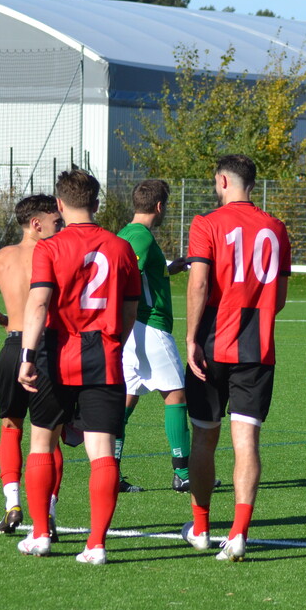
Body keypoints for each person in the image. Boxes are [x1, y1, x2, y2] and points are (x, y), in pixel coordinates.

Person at [18, 167, 140, 564]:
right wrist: (113, 342)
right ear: (97, 203)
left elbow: (39, 303)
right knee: (101, 451)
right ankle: (97, 544)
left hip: (56, 352)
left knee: (41, 442)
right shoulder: (121, 248)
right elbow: (130, 311)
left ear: (59, 204)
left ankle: (40, 534)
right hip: (103, 356)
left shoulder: (49, 247)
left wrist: (27, 355)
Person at [181, 154, 290, 561]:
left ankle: (201, 528)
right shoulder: (276, 228)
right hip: (257, 348)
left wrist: (191, 338)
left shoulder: (206, 223)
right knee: (246, 441)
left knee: (204, 437)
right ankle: (239, 533)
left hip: (212, 344)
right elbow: (279, 298)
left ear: (223, 181)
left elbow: (199, 283)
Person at [0, 194, 65, 536]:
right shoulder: (55, 254)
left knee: (11, 427)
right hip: (46, 348)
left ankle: (12, 505)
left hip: (12, 347)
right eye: (56, 221)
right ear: (36, 223)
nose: (61, 226)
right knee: (49, 437)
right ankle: (48, 513)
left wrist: (3, 319)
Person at [115, 179, 195, 493]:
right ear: (159, 207)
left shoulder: (127, 232)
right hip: (149, 326)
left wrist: (169, 269)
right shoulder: (141, 237)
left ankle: (111, 473)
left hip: (133, 329)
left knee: (126, 400)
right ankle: (184, 473)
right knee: (176, 397)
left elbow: (141, 271)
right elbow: (126, 273)